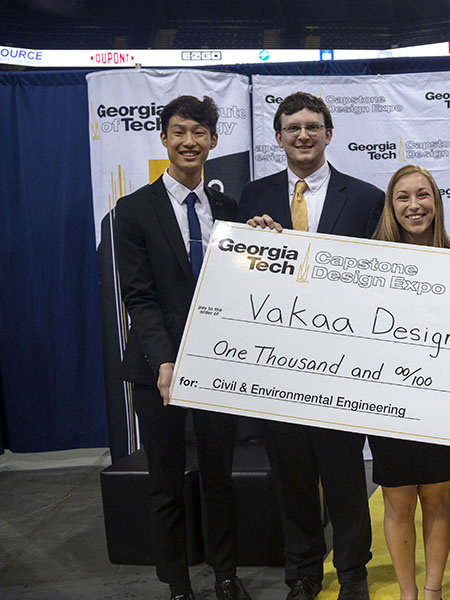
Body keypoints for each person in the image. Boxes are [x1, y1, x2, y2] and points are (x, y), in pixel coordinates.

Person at [238, 91, 384, 600]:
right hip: (276, 363)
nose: (303, 134)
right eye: (293, 127)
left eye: (313, 126)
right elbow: (240, 280)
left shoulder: (365, 197)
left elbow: (379, 282)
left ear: (329, 133)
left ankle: (352, 574)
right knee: (292, 476)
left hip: (341, 364)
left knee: (344, 475)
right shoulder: (251, 198)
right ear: (278, 137)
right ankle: (302, 574)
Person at [113, 95, 251, 600]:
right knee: (165, 483)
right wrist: (165, 361)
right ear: (164, 139)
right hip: (157, 365)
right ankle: (176, 584)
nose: (189, 141)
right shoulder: (131, 211)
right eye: (179, 132)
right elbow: (140, 298)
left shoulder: (231, 209)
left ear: (213, 140)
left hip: (218, 362)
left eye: (199, 133)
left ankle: (226, 575)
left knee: (220, 478)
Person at [368, 164, 450, 600]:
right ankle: (407, 593)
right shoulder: (370, 262)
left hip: (441, 401)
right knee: (397, 501)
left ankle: (432, 591)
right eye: (402, 197)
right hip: (386, 400)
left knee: (438, 497)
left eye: (422, 195)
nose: (414, 205)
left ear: (436, 202)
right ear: (391, 206)